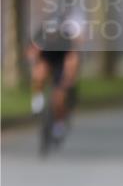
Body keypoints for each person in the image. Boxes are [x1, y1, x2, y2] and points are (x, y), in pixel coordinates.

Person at [27, 11, 83, 141]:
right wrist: (33, 58)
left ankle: (59, 123)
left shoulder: (66, 39)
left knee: (59, 98)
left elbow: (72, 59)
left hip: (60, 63)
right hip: (46, 60)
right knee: (39, 73)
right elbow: (32, 51)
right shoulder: (40, 34)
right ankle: (38, 97)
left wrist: (69, 77)